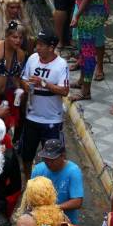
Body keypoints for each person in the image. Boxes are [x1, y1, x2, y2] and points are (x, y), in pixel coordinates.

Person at [20, 30, 69, 181]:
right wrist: (26, 86)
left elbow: (65, 90)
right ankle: (29, 181)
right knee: (26, 153)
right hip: (32, 117)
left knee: (53, 157)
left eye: (41, 45)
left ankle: (50, 183)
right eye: (37, 45)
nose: (37, 48)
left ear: (51, 47)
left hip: (52, 120)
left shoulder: (61, 65)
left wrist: (43, 83)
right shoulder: (33, 59)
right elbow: (23, 78)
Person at [70, 0, 113, 99]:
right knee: (83, 48)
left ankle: (86, 92)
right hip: (88, 9)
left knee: (88, 53)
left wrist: (77, 15)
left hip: (90, 12)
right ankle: (82, 80)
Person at [0, 21, 26, 130]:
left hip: (8, 98)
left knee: (4, 132)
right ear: (7, 36)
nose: (18, 41)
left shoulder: (20, 54)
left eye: (21, 38)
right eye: (14, 37)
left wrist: (19, 89)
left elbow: (16, 76)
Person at [30, 140, 84, 224]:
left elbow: (77, 202)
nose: (48, 163)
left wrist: (53, 208)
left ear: (63, 156)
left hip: (65, 222)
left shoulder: (73, 171)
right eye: (45, 159)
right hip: (41, 221)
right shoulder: (38, 170)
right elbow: (30, 195)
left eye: (52, 160)